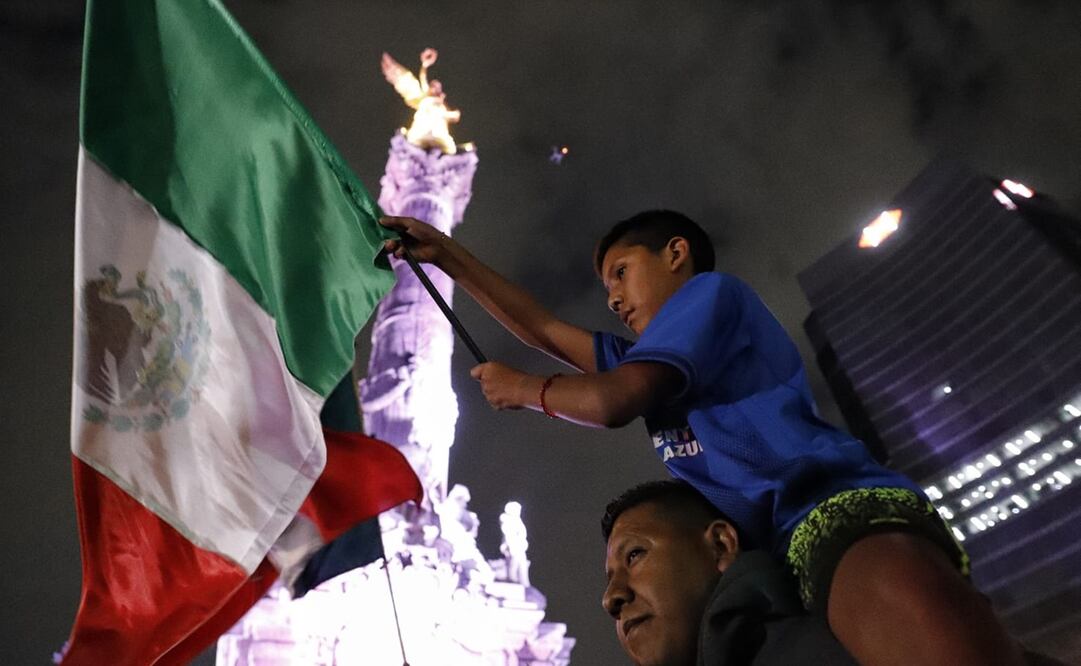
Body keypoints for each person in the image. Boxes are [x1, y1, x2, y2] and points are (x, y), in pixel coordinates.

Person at [379, 210, 1025, 664]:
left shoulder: (710, 297)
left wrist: (528, 392)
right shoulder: (659, 351)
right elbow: (546, 330)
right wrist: (447, 257)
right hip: (778, 557)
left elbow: (612, 402)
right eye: (605, 286)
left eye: (620, 273)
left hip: (836, 517)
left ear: (675, 255)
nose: (611, 298)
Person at [602, 479, 855, 665]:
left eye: (634, 555)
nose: (610, 598)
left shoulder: (831, 648)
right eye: (610, 578)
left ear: (721, 545)